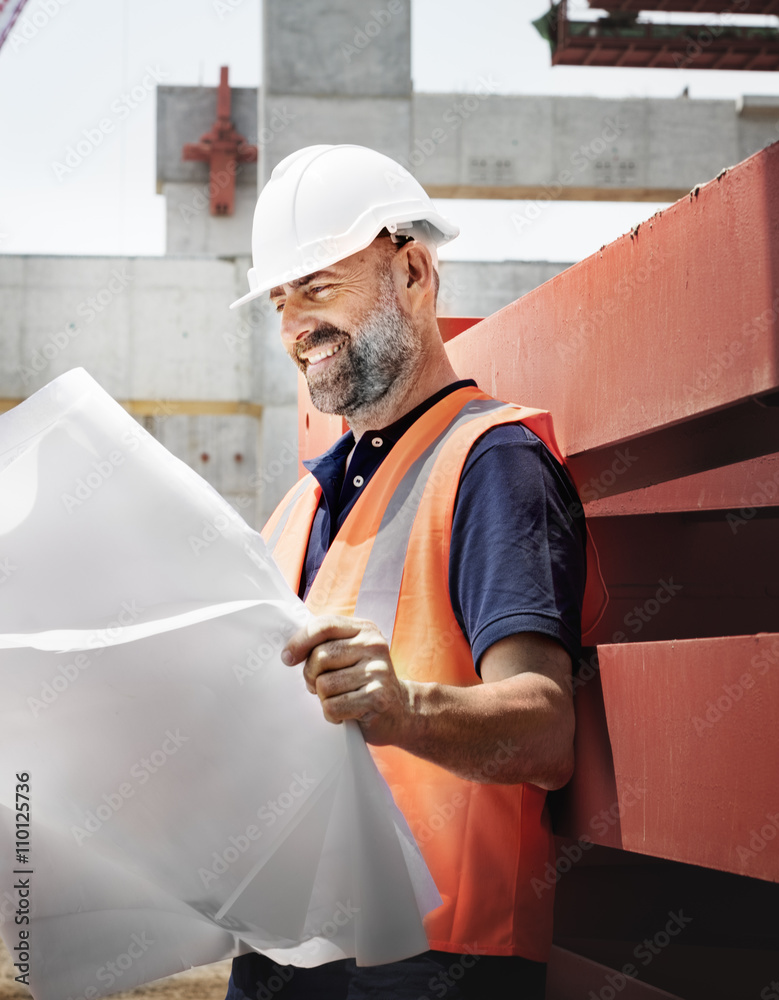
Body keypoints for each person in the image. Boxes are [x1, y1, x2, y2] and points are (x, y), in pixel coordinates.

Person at [225, 144, 601, 1000]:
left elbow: (546, 733)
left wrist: (402, 707)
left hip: (436, 962)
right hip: (285, 951)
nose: (295, 327)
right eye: (280, 300)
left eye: (318, 287)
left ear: (414, 272)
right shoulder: (300, 511)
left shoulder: (492, 464)